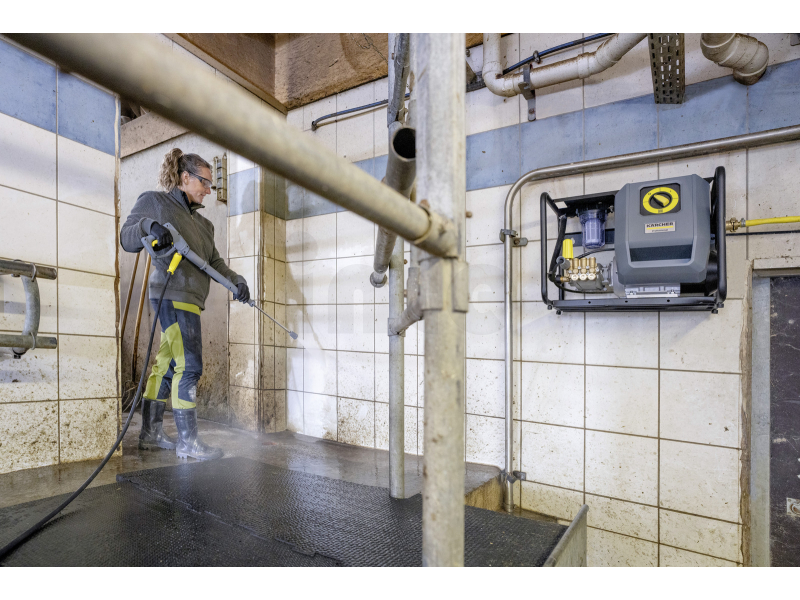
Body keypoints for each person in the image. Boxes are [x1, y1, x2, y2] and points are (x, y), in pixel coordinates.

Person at [120, 148, 250, 460]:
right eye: (204, 182)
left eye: (210, 185)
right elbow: (126, 238)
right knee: (189, 365)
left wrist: (237, 281)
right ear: (184, 178)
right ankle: (188, 442)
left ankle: (150, 433)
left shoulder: (205, 225)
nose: (208, 190)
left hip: (190, 299)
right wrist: (149, 227)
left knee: (167, 365)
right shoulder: (155, 202)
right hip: (171, 294)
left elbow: (214, 263)